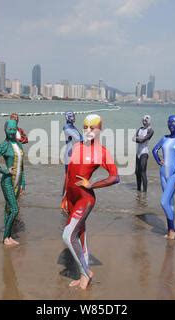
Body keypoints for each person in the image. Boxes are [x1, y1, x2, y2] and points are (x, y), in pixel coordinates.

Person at [61, 114, 120, 290]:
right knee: (80, 236)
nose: (88, 131)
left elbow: (115, 177)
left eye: (92, 127)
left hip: (85, 198)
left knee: (67, 235)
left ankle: (86, 272)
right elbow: (69, 173)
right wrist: (64, 196)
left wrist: (92, 184)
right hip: (71, 198)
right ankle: (83, 276)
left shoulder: (102, 152)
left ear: (100, 129)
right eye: (85, 127)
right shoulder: (77, 147)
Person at [0, 119, 25, 246]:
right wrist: (4, 170)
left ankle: (9, 236)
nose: (12, 131)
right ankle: (5, 238)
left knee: (8, 209)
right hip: (7, 182)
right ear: (5, 130)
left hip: (17, 182)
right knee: (15, 209)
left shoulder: (19, 144)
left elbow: (21, 165)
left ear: (17, 130)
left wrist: (22, 183)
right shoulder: (4, 145)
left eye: (14, 129)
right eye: (9, 129)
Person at [152, 115, 175, 240]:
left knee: (163, 202)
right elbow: (154, 150)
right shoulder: (164, 138)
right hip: (162, 174)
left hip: (174, 175)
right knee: (170, 203)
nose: (170, 125)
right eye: (168, 123)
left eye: (172, 123)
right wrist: (158, 161)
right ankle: (173, 226)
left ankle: (171, 229)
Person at [133, 115, 154, 193]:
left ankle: (145, 192)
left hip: (144, 153)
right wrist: (139, 139)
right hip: (138, 152)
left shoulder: (151, 130)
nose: (144, 122)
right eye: (143, 120)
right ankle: (138, 190)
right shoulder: (140, 129)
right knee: (137, 172)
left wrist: (138, 138)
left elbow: (142, 140)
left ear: (149, 121)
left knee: (142, 172)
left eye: (146, 121)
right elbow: (133, 138)